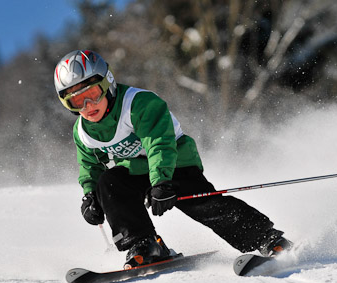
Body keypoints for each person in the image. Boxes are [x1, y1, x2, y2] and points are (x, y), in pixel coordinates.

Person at [54, 49, 293, 269]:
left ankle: (265, 238)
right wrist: (90, 196)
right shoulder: (83, 131)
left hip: (176, 162)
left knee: (198, 202)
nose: (87, 106)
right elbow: (90, 166)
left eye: (93, 94)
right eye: (75, 101)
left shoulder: (138, 104)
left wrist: (161, 182)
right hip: (137, 171)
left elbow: (159, 144)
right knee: (110, 183)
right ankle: (144, 244)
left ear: (108, 84)